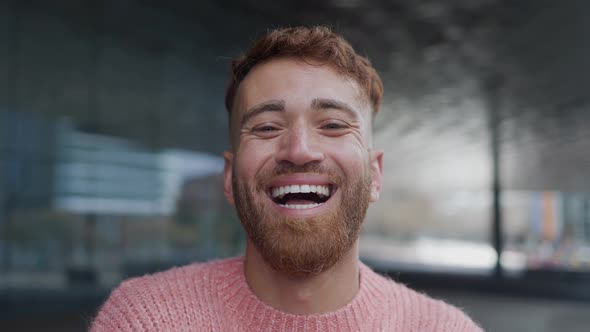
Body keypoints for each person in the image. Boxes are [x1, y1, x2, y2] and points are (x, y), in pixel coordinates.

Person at [91, 26, 482, 331]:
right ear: (229, 177)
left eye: (331, 124)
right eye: (265, 127)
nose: (298, 150)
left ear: (375, 174)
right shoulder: (141, 320)